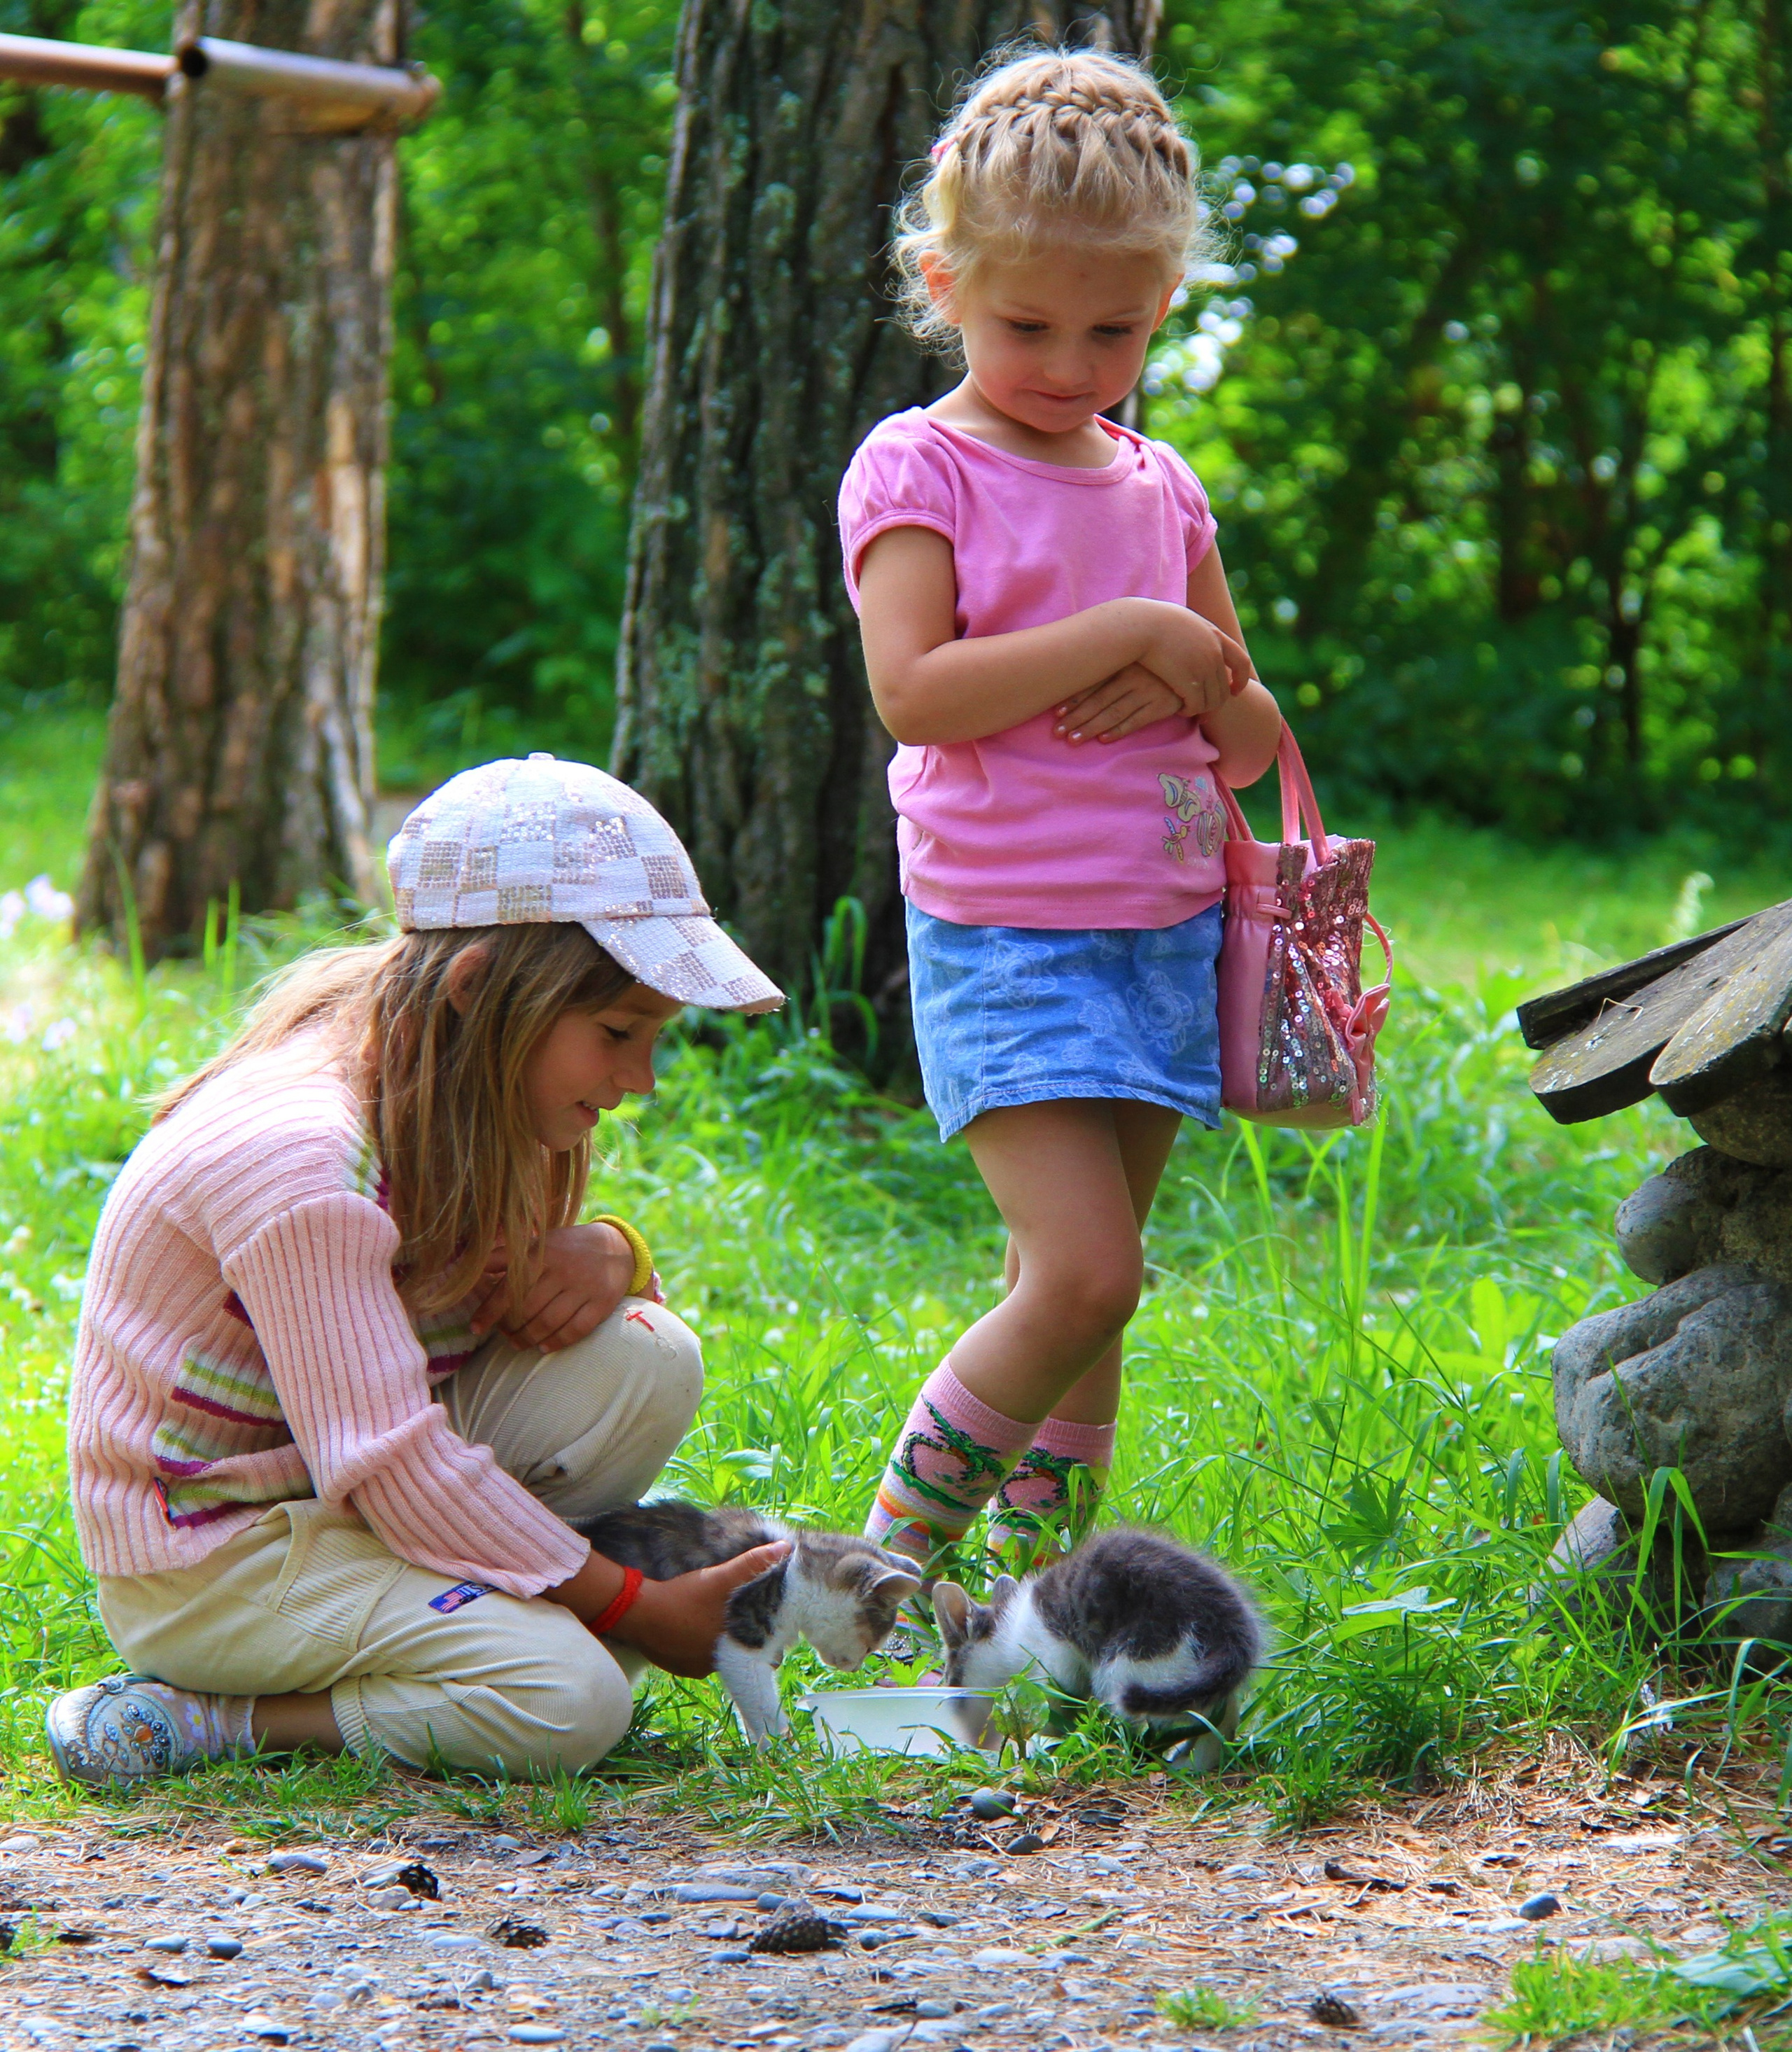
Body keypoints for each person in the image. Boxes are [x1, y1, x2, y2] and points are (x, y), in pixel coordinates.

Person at [48, 754, 789, 1787]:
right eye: (618, 1034)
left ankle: (486, 1608)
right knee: (571, 1700)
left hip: (343, 1496)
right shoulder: (305, 1164)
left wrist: (614, 1253)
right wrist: (630, 1602)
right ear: (481, 990)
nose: (638, 1082)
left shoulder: (473, 1089)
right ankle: (212, 1717)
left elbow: (502, 1317)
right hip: (217, 1559)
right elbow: (390, 1461)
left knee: (647, 1357)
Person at [841, 47, 1284, 1576]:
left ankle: (1044, 1602)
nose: (1073, 363)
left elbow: (1247, 735)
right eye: (1028, 323)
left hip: (1163, 926)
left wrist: (1198, 674)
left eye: (1116, 326)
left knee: (1090, 1279)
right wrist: (1130, 639)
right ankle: (873, 1580)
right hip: (1008, 929)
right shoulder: (921, 464)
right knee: (1084, 1275)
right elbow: (914, 690)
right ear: (941, 280)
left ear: (1164, 299)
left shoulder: (1158, 486)